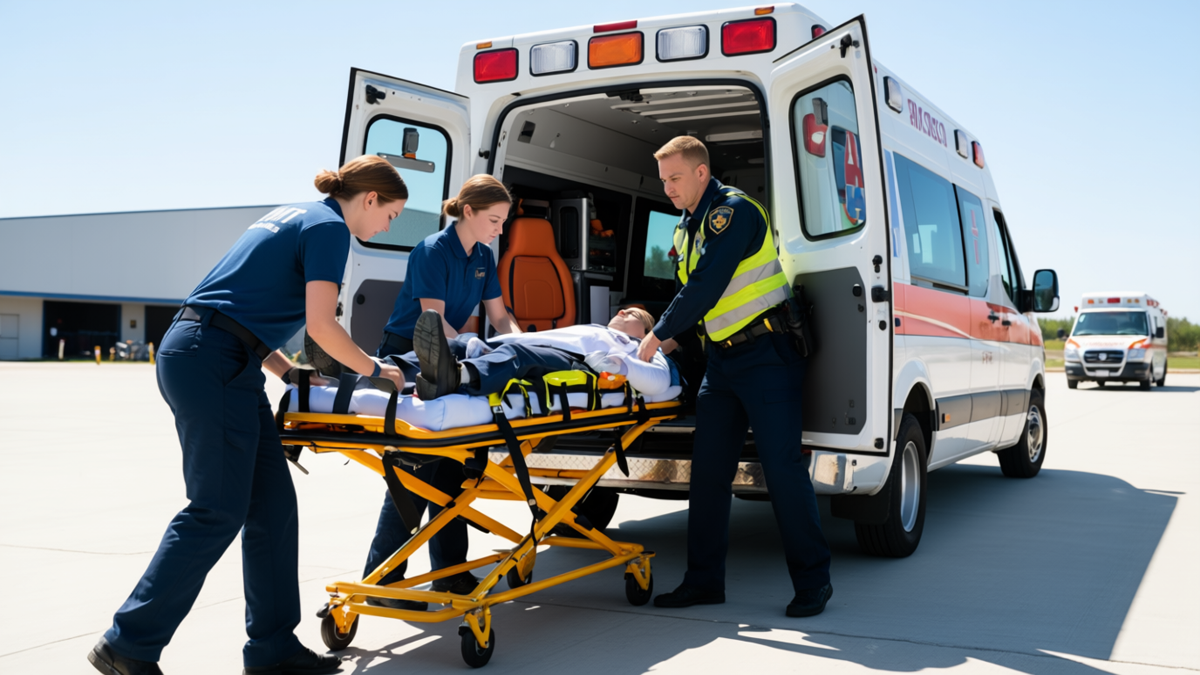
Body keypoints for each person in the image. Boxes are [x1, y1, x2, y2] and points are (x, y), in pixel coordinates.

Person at [88, 156, 408, 675]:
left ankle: (273, 650)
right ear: (370, 199)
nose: (388, 226)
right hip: (210, 359)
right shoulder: (330, 229)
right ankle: (128, 643)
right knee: (217, 508)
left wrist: (286, 372)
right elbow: (322, 327)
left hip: (216, 352)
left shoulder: (296, 213)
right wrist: (376, 369)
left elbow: (237, 307)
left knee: (273, 507)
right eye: (391, 214)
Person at [637, 136, 833, 617]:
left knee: (783, 471)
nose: (668, 188)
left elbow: (707, 285)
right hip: (723, 363)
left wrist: (657, 336)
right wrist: (679, 338)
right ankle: (703, 581)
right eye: (663, 180)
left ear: (702, 172)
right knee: (707, 475)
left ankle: (813, 583)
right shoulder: (688, 226)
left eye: (675, 178)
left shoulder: (733, 212)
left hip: (767, 355)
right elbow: (699, 298)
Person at [361, 175, 522, 609]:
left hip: (452, 359)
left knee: (453, 470)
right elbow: (434, 323)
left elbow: (499, 315)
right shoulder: (432, 251)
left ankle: (449, 574)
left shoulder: (484, 256)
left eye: (503, 222)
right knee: (413, 472)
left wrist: (521, 348)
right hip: (412, 356)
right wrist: (475, 349)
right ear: (467, 212)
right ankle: (384, 579)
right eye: (494, 219)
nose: (499, 229)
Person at [406, 306, 669, 399]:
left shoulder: (636, 346)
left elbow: (660, 380)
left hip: (573, 362)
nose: (623, 311)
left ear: (646, 331)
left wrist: (622, 365)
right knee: (456, 345)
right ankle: (385, 372)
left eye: (635, 314)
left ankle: (457, 376)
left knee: (517, 354)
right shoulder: (596, 327)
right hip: (526, 344)